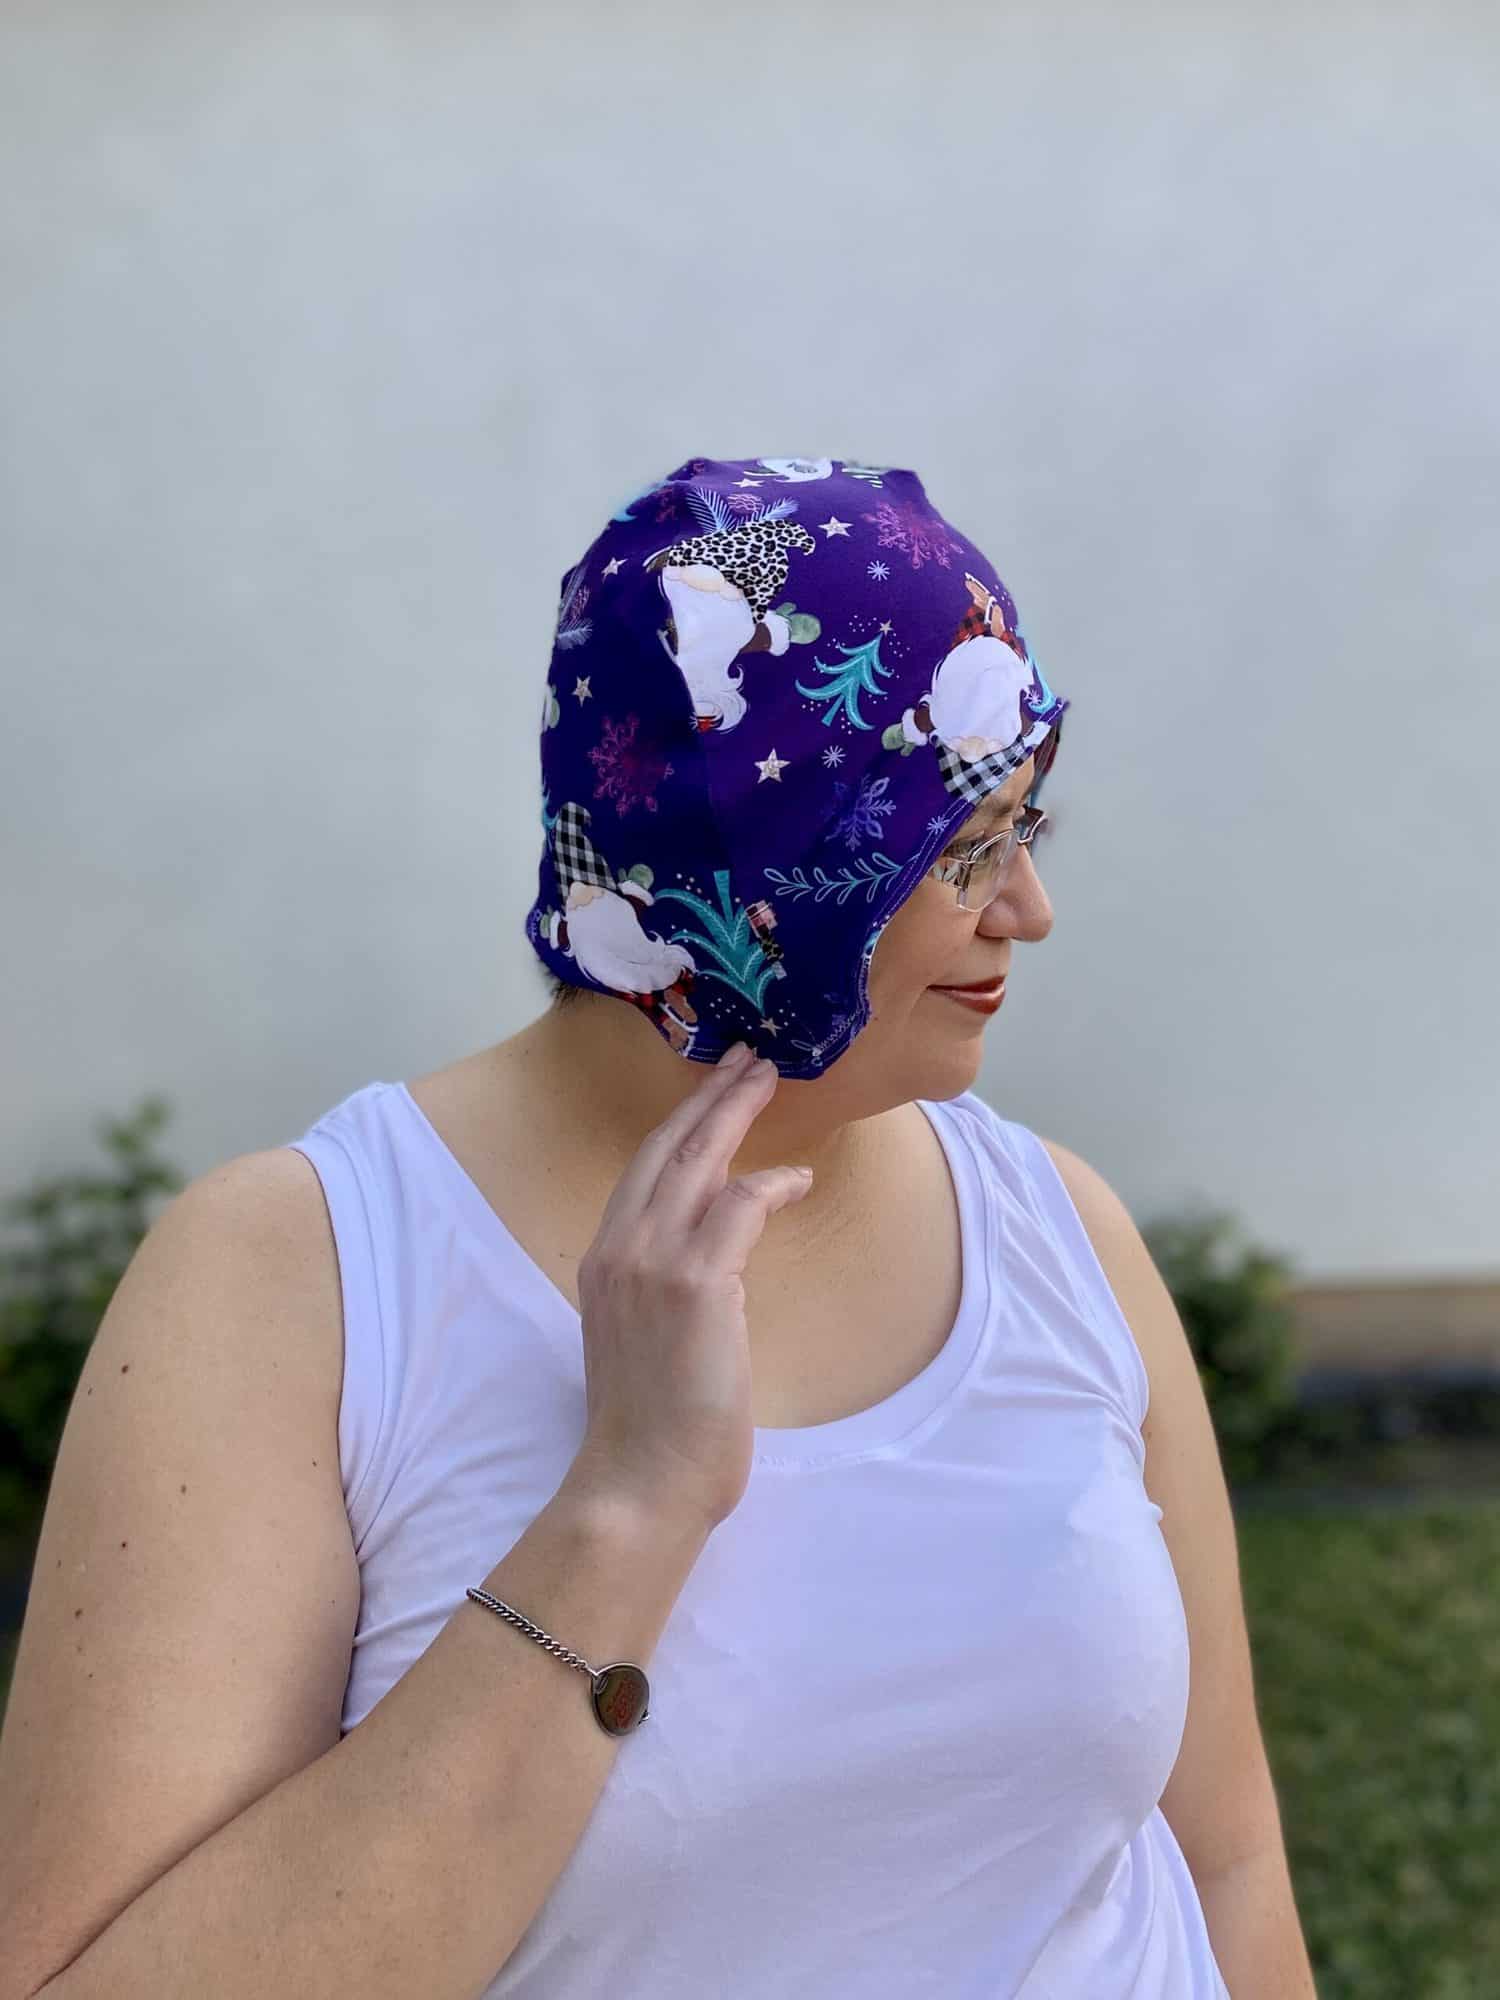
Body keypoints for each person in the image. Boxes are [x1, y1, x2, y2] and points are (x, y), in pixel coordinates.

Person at [0, 457, 1315, 1998]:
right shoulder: (297, 1279)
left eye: (1032, 829)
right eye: (963, 849)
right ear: (763, 862)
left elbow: (1226, 1861)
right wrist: (627, 1507)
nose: (1029, 909)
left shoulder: (1055, 1229)